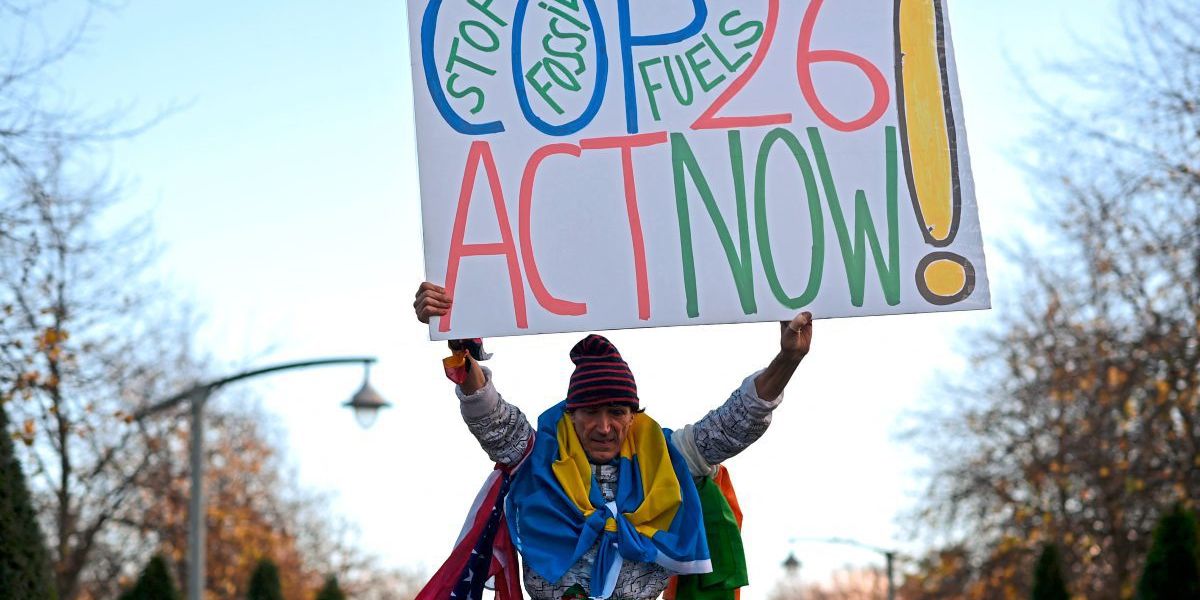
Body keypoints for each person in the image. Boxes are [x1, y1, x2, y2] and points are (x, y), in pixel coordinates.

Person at [412, 282, 813, 600]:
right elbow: (490, 415)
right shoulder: (536, 460)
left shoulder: (670, 459)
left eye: (617, 413)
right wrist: (459, 345)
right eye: (590, 412)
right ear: (571, 414)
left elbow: (737, 421)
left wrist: (788, 359)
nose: (604, 427)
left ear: (633, 417)